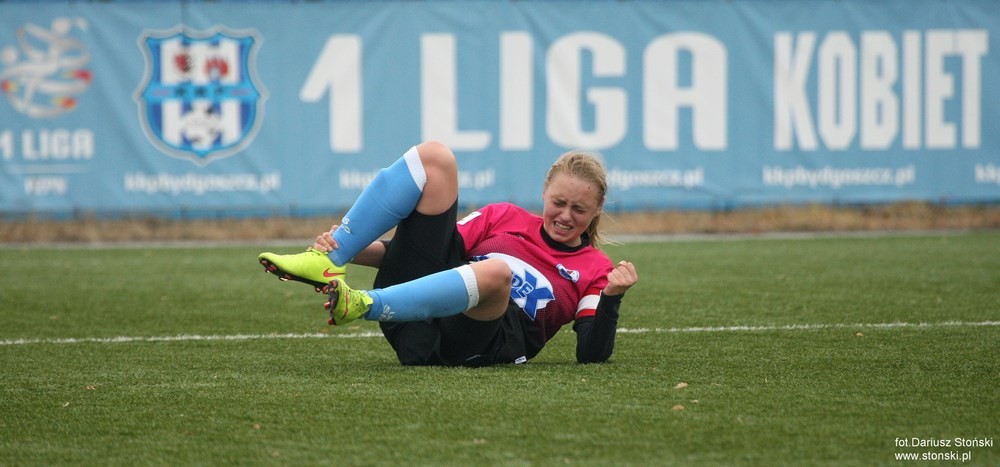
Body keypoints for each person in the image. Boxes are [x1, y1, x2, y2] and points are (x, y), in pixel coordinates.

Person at [258, 141, 638, 366]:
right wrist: (348, 250)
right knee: (436, 158)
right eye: (559, 203)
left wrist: (612, 298)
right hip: (413, 319)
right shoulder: (503, 215)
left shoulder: (595, 269)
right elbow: (430, 253)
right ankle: (326, 261)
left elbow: (591, 354)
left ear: (597, 209)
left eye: (579, 209)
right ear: (544, 192)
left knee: (497, 274)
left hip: (467, 346)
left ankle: (361, 305)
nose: (566, 216)